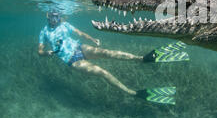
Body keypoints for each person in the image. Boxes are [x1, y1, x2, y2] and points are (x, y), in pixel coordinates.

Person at [38, 10, 188, 104]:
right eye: (52, 17)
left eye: (57, 17)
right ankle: (132, 92)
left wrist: (92, 40)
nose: (54, 20)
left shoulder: (65, 25)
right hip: (71, 59)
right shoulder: (44, 32)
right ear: (47, 16)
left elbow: (80, 34)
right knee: (102, 72)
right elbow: (40, 51)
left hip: (80, 47)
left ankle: (142, 59)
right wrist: (48, 53)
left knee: (107, 52)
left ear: (59, 17)